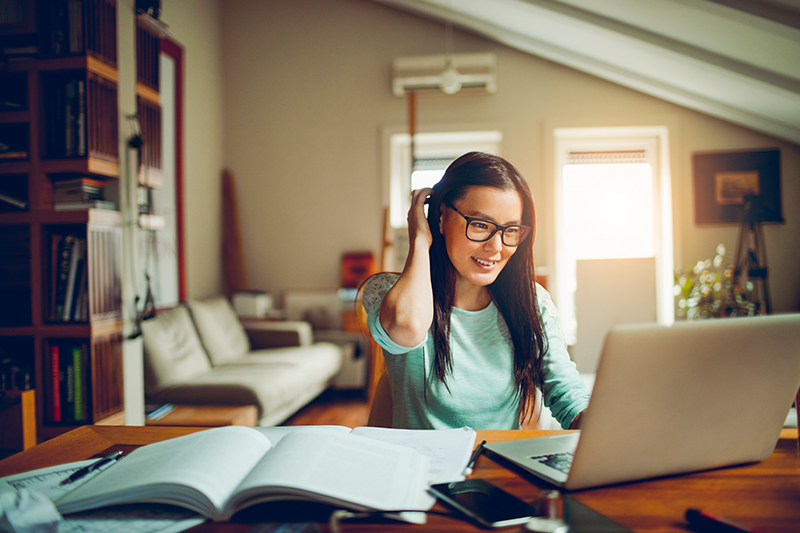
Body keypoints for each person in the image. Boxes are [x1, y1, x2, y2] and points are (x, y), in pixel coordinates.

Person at [365, 151, 590, 430]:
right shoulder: (387, 292)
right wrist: (420, 240)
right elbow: (406, 327)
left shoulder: (531, 302)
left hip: (499, 466)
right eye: (481, 225)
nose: (496, 247)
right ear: (441, 218)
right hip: (423, 468)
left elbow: (567, 393)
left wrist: (601, 426)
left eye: (510, 230)